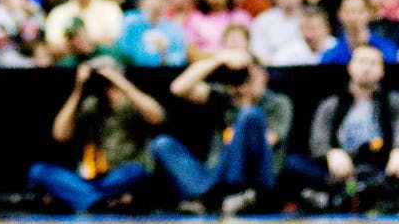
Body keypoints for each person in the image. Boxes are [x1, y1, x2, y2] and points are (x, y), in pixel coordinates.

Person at [150, 48, 293, 214]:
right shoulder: (224, 97)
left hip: (255, 178)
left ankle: (227, 193)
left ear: (262, 76)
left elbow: (267, 142)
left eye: (246, 78)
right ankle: (213, 196)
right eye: (237, 79)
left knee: (249, 115)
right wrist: (218, 60)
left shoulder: (278, 103)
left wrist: (245, 105)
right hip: (216, 176)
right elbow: (178, 88)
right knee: (162, 144)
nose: (240, 85)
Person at [27, 56, 165, 213]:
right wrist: (78, 88)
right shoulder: (92, 105)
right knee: (39, 171)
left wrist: (121, 83)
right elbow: (60, 134)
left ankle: (84, 199)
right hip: (91, 177)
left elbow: (157, 117)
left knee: (137, 171)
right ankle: (99, 201)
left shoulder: (133, 103)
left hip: (122, 175)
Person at [288, 44, 399, 213]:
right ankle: (333, 198)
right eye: (362, 61)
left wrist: (397, 152)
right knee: (293, 163)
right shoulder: (332, 103)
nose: (367, 68)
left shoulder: (392, 101)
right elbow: (317, 140)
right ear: (350, 67)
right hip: (340, 173)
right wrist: (330, 153)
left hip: (381, 169)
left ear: (382, 71)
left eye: (373, 63)